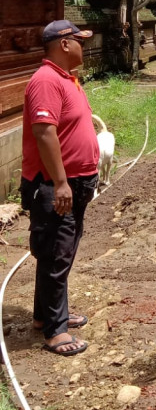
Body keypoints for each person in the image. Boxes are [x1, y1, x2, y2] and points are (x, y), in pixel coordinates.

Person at [20, 20, 100, 356]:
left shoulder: (66, 79)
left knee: (58, 252)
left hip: (75, 184)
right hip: (56, 186)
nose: (84, 45)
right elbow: (44, 133)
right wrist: (61, 182)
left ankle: (47, 316)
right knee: (57, 253)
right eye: (80, 40)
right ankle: (55, 331)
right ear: (64, 44)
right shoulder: (46, 81)